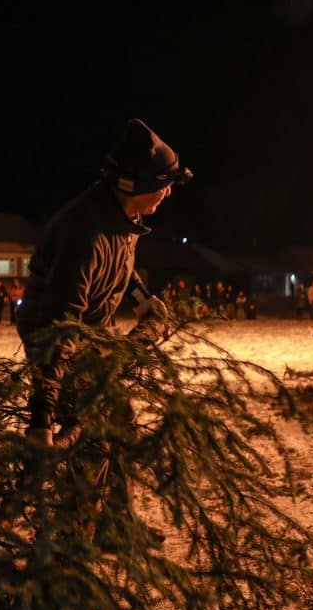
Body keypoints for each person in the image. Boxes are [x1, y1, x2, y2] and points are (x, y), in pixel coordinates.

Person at [17, 118, 191, 446]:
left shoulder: (124, 217)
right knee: (92, 438)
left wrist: (141, 298)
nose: (168, 193)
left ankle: (111, 473)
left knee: (120, 421)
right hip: (59, 343)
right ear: (137, 185)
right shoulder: (85, 234)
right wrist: (42, 416)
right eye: (163, 185)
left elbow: (119, 267)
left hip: (94, 335)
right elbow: (60, 325)